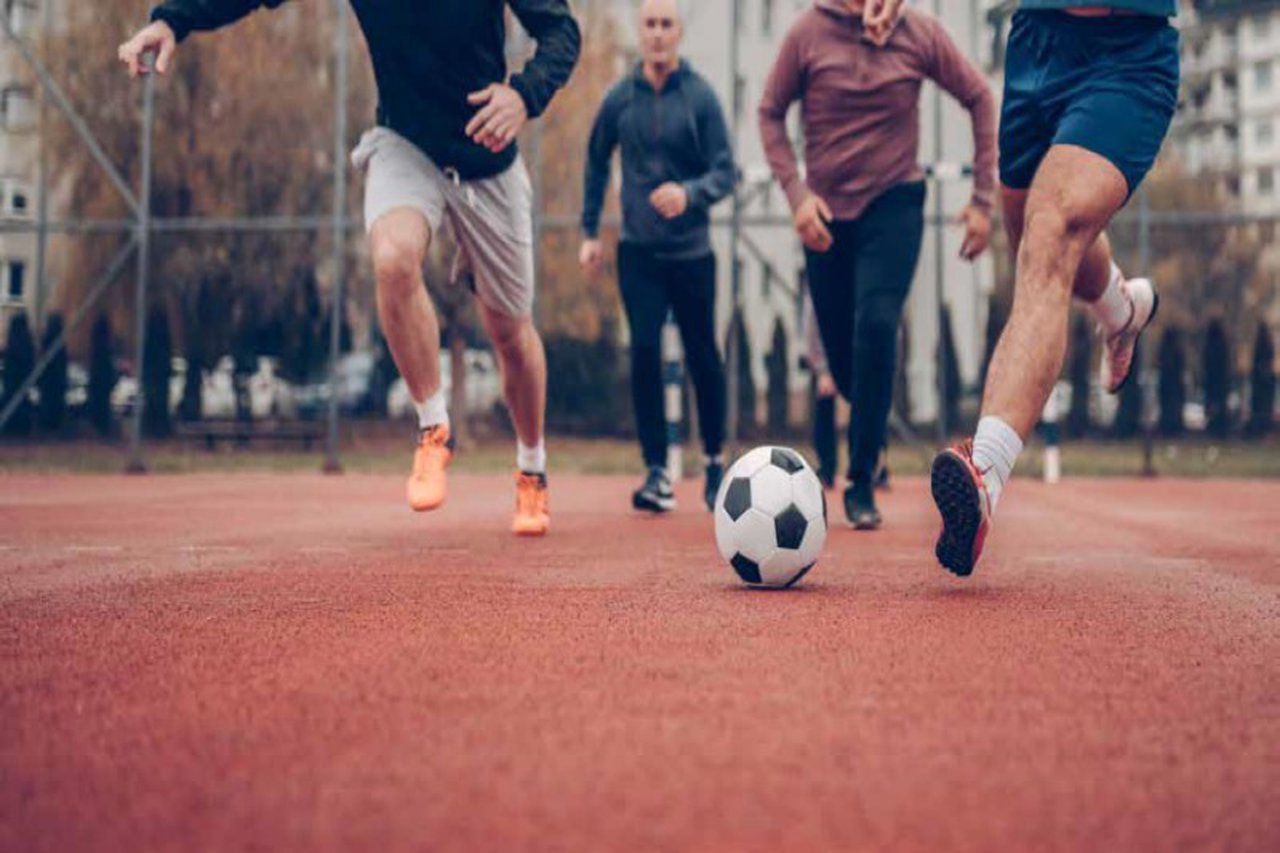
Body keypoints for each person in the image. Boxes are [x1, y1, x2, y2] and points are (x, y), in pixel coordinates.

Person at [118, 1, 581, 537]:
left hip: (487, 157)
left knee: (510, 333)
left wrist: (524, 94)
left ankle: (532, 467)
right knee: (392, 258)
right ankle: (434, 428)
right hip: (407, 143)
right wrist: (173, 20)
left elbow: (561, 30)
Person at [925, 0, 1178, 577]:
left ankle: (985, 470)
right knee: (1039, 242)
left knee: (1050, 231)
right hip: (1036, 42)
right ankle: (1123, 308)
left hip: (1126, 55)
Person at [758, 0, 996, 530]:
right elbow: (769, 112)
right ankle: (871, 427)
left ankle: (860, 480)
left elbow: (980, 97)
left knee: (878, 325)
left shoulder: (918, 33)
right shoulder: (807, 35)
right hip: (824, 214)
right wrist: (796, 196)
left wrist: (983, 200)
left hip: (894, 203)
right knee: (843, 366)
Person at [579, 0, 735, 513]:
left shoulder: (702, 97)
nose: (659, 34)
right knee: (643, 351)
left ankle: (714, 463)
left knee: (702, 357)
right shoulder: (620, 98)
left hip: (692, 254)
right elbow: (596, 159)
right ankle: (656, 473)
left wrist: (690, 194)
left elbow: (725, 171)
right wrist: (589, 232)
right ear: (640, 32)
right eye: (650, 24)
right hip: (639, 252)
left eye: (667, 24)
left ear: (679, 32)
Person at [800, 292, 892, 492]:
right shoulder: (825, 276)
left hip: (864, 352)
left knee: (870, 399)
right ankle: (826, 468)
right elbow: (813, 323)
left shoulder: (874, 285)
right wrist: (823, 368)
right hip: (832, 353)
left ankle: (875, 465)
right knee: (825, 396)